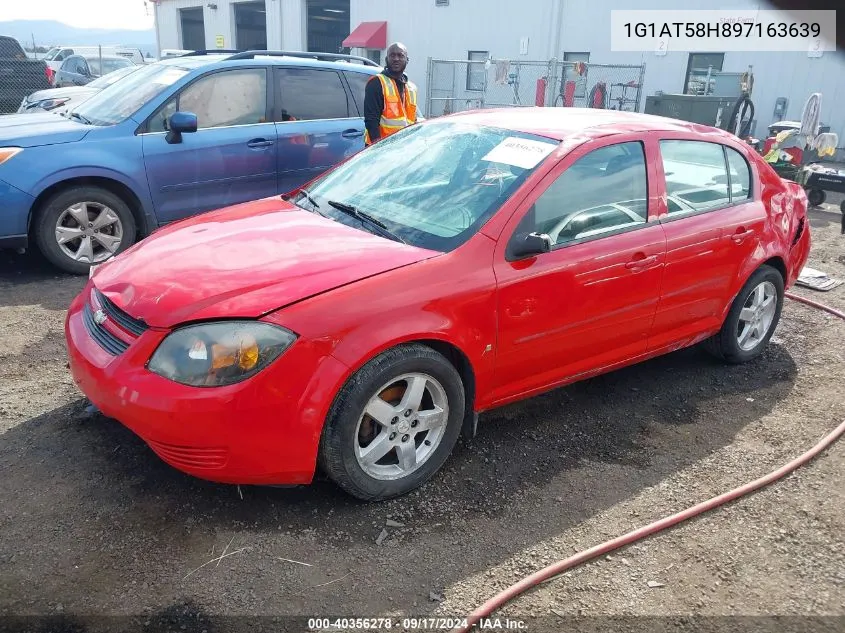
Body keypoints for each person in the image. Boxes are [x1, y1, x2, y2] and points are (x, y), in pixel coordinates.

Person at [363, 42, 418, 146]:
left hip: (403, 149)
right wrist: (378, 149)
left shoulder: (412, 88)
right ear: (386, 59)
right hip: (381, 149)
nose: (396, 59)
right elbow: (371, 121)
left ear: (407, 60)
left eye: (400, 55)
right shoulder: (376, 83)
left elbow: (413, 121)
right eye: (392, 55)